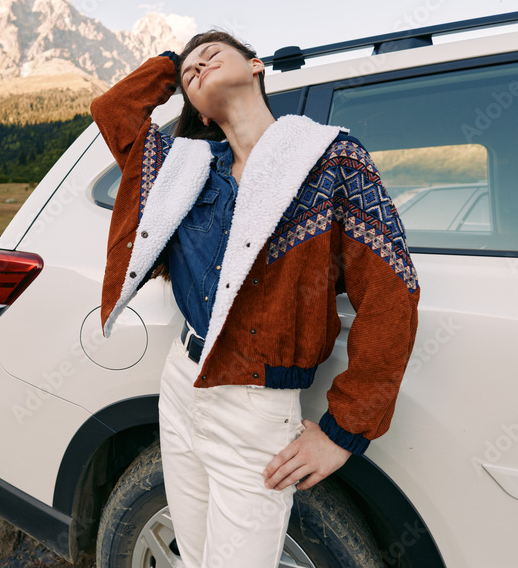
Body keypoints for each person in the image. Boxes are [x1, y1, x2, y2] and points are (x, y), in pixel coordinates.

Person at [90, 30, 420, 567]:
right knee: (192, 557)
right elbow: (113, 110)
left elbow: (392, 293)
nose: (198, 65)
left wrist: (344, 432)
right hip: (181, 385)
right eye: (188, 71)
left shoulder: (333, 160)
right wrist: (173, 66)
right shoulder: (185, 168)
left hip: (257, 409)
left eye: (213, 52)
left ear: (257, 65)